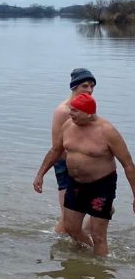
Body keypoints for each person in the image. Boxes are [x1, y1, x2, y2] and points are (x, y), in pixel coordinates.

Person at [33, 93, 135, 256]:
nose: (70, 113)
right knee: (71, 228)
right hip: (75, 183)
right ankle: (88, 258)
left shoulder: (107, 131)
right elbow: (56, 150)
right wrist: (40, 174)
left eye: (75, 111)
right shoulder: (68, 125)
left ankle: (100, 273)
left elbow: (128, 164)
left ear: (89, 113)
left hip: (101, 185)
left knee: (98, 236)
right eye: (70, 109)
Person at [49, 68, 98, 234]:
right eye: (85, 85)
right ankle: (57, 246)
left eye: (92, 86)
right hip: (66, 167)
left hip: (88, 167)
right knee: (66, 222)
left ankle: (81, 236)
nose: (90, 90)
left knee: (108, 209)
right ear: (74, 87)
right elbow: (57, 147)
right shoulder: (63, 111)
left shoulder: (89, 107)